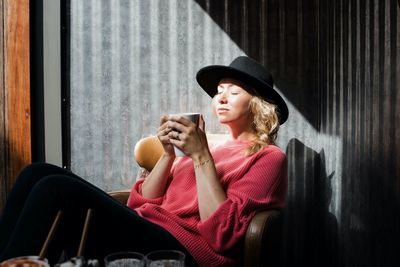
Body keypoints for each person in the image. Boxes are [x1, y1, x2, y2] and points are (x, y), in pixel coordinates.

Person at [0, 56, 288, 267]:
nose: (221, 98)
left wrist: (200, 156)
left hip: (186, 249)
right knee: (37, 172)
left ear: (257, 105)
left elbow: (222, 238)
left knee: (56, 189)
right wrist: (167, 154)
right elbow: (140, 204)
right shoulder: (210, 142)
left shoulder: (268, 158)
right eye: (219, 91)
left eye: (234, 92)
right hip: (146, 225)